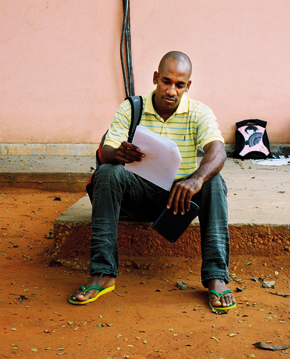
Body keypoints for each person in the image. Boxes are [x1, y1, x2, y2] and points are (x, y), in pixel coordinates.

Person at [69, 51, 235, 311]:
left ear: (187, 86)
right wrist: (118, 154)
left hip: (178, 200)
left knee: (214, 182)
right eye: (166, 81)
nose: (171, 90)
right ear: (156, 78)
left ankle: (216, 277)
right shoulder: (131, 108)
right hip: (139, 195)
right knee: (107, 172)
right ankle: (103, 272)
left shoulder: (199, 112)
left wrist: (196, 180)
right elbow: (107, 150)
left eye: (179, 85)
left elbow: (218, 152)